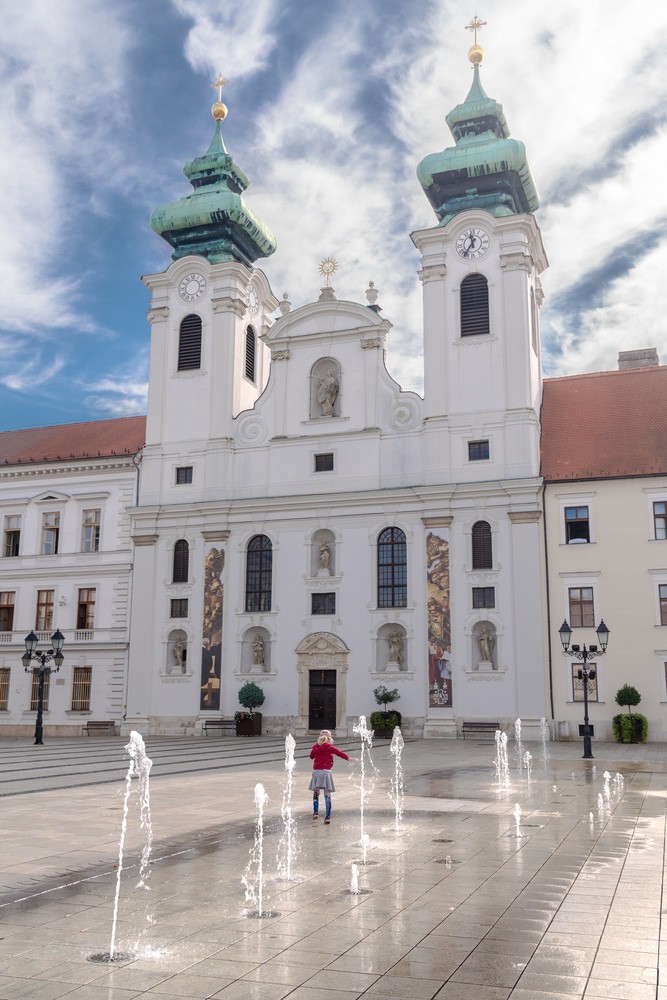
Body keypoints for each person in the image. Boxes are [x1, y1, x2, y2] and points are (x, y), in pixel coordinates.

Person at [309, 729, 354, 824]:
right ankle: (327, 816)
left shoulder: (315, 746)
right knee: (327, 794)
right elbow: (339, 753)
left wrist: (316, 749)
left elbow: (311, 756)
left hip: (316, 772)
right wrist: (349, 758)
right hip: (326, 772)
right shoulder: (330, 747)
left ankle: (316, 813)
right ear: (329, 738)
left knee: (316, 793)